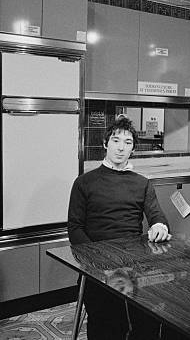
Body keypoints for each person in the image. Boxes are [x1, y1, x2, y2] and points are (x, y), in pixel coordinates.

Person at [67, 116, 171, 340]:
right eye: (116, 141)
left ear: (133, 148)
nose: (121, 148)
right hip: (97, 263)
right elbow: (75, 229)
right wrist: (100, 262)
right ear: (105, 144)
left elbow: (157, 216)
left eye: (128, 142)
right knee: (108, 323)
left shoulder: (141, 183)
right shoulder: (84, 182)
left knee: (154, 317)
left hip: (135, 263)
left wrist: (160, 226)